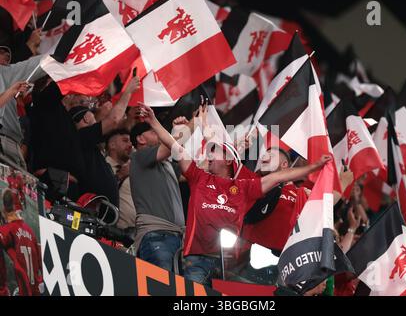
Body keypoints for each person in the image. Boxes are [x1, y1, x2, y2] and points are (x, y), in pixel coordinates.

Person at [140, 105, 333, 286]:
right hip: (195, 260)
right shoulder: (198, 177)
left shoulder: (244, 187)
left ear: (228, 159)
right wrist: (153, 121)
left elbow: (279, 177)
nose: (208, 155)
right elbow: (174, 146)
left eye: (214, 152)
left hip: (229, 265)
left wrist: (313, 167)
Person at [129, 115, 190, 272]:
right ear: (141, 139)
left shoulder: (167, 165)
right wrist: (195, 122)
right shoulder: (139, 156)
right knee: (162, 288)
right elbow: (172, 146)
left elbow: (197, 169)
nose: (159, 134)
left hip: (175, 239)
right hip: (156, 236)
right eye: (153, 131)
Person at [68, 77, 140, 206]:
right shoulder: (80, 137)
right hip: (90, 210)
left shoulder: (90, 144)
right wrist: (128, 92)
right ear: (85, 118)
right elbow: (114, 120)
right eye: (91, 115)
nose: (95, 119)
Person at [0, 45, 45, 168]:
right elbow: (41, 63)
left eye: (8, 57)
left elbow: (38, 64)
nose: (5, 58)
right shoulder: (4, 72)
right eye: (1, 53)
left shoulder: (6, 73)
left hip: (9, 141)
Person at [0, 189, 43, 295]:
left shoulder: (7, 231)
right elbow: (42, 263)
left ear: (4, 209)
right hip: (35, 291)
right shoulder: (30, 232)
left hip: (22, 290)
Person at [105, 129, 136, 230]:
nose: (130, 144)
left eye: (130, 141)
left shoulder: (133, 168)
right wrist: (120, 175)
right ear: (112, 145)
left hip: (134, 234)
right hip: (112, 230)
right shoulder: (103, 166)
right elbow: (102, 191)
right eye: (125, 141)